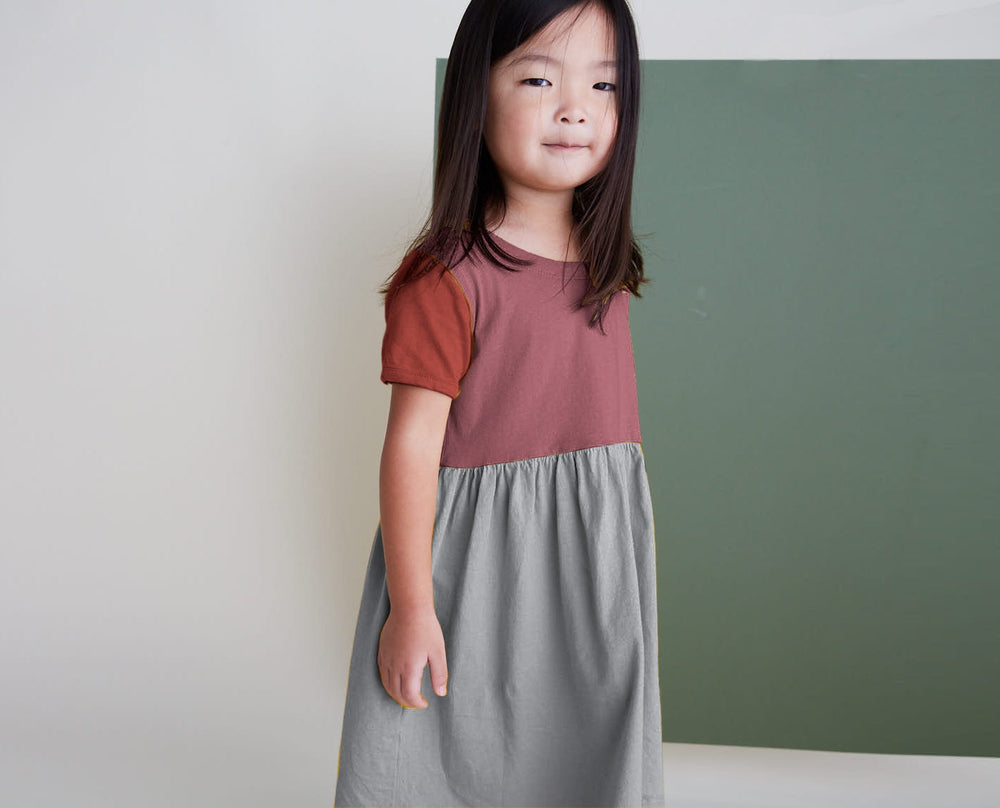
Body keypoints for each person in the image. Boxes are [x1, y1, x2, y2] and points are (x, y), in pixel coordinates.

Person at [334, 0, 664, 805]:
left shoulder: (606, 266)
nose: (575, 108)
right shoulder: (447, 276)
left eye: (604, 85)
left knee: (579, 749)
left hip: (592, 560)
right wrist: (413, 606)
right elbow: (413, 446)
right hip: (478, 569)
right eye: (539, 79)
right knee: (451, 748)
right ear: (475, 97)